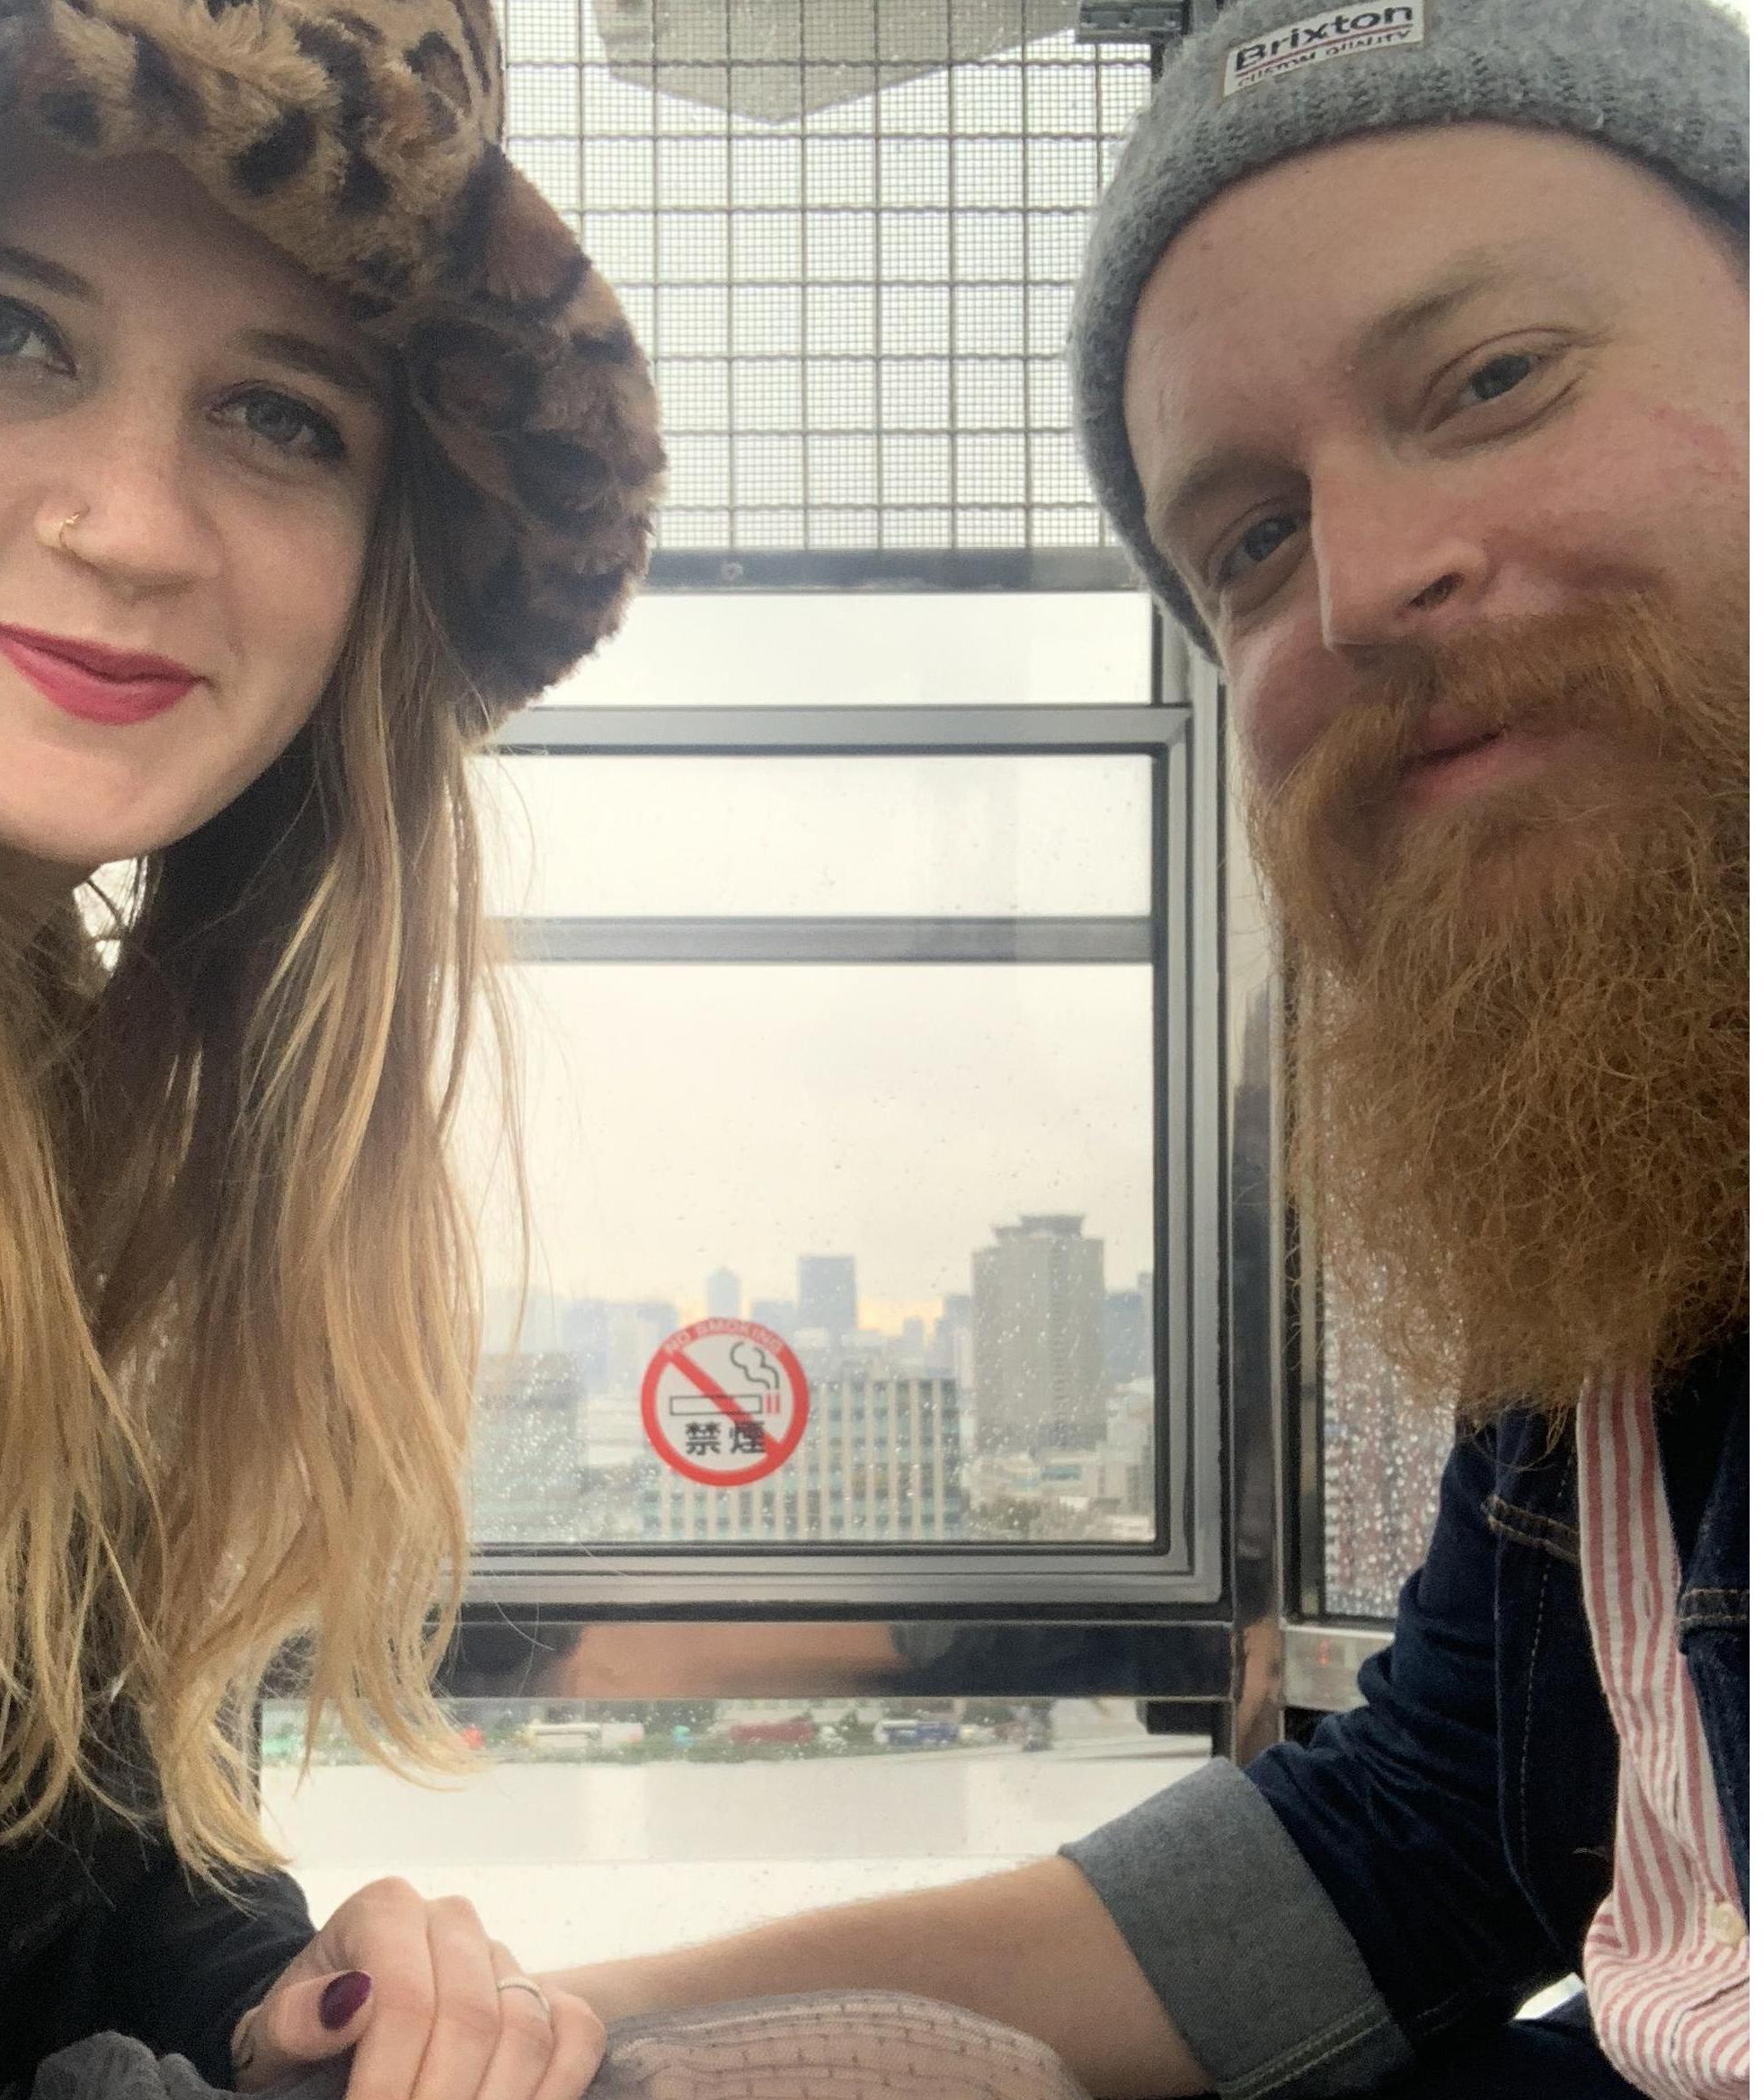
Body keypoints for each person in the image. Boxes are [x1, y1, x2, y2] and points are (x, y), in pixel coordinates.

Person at [538, 1, 1749, 2096]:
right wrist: (552, 2022)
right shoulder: (1640, 1175)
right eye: (1250, 542)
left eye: (1490, 379)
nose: (1364, 586)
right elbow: (1429, 1834)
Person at [0, 2, 663, 2096]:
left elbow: (44, 1842)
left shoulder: (24, 1091)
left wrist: (262, 1995)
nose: (132, 523)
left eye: (281, 416)